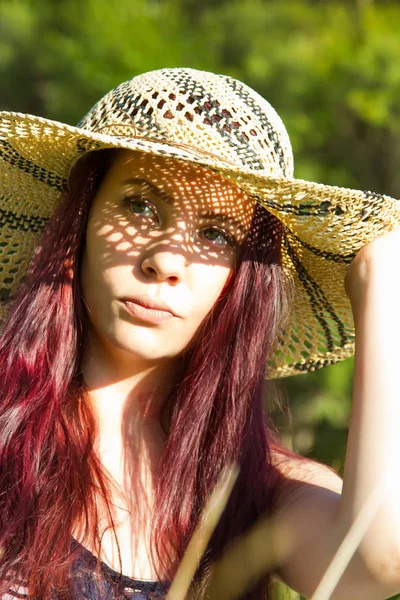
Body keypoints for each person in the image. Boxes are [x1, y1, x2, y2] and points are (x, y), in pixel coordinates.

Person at [1, 67, 400, 600]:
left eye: (216, 233)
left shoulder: (259, 486)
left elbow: (375, 565)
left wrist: (379, 284)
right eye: (140, 206)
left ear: (245, 279)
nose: (166, 260)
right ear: (80, 224)